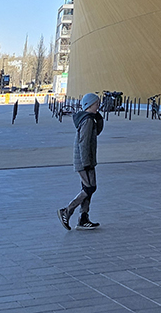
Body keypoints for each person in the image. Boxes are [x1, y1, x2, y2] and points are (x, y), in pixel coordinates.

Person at [58, 91, 104, 230]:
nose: (99, 105)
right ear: (90, 104)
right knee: (90, 188)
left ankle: (83, 218)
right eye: (97, 103)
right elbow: (84, 143)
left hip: (87, 160)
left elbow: (96, 132)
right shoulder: (87, 121)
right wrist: (86, 163)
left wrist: (99, 118)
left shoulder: (89, 119)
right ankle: (67, 210)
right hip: (85, 161)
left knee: (87, 188)